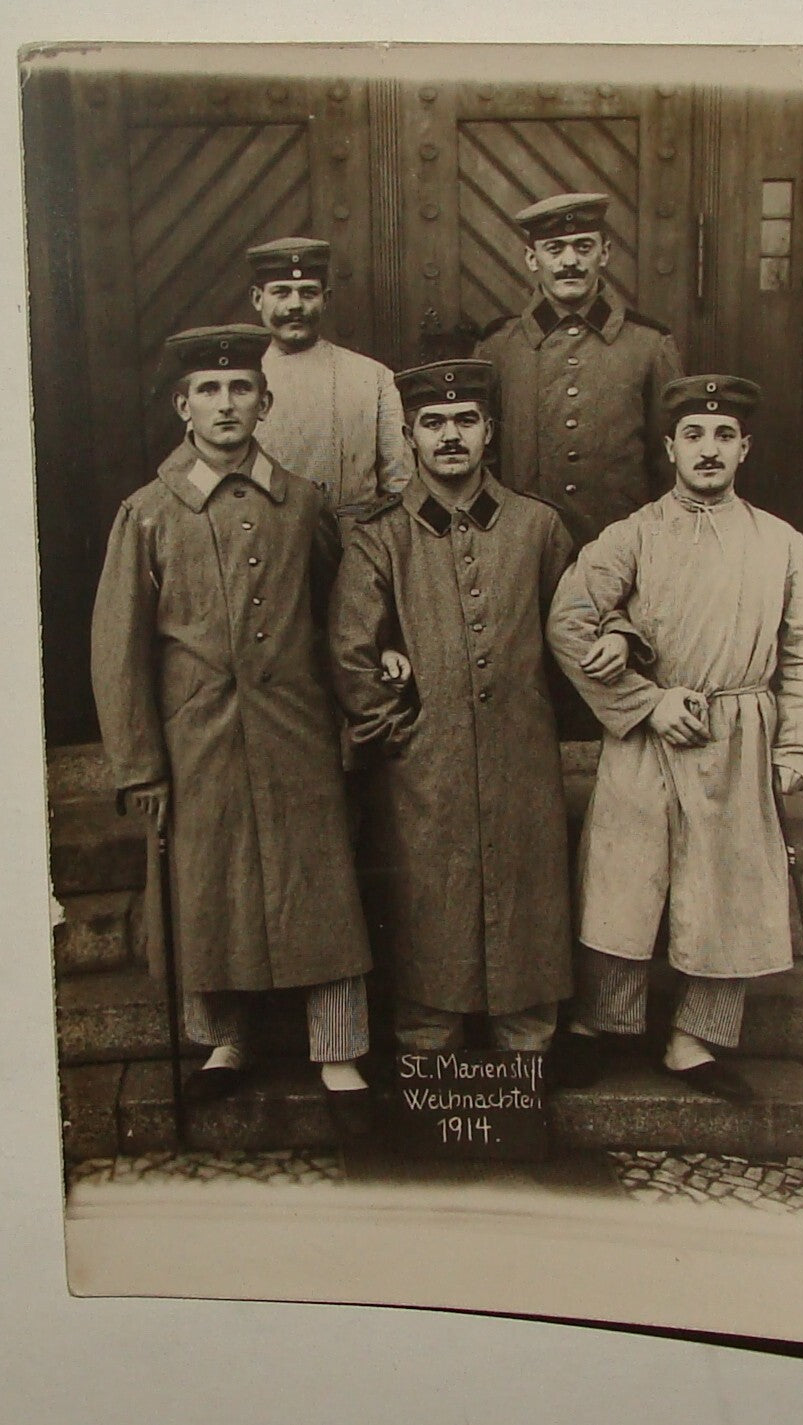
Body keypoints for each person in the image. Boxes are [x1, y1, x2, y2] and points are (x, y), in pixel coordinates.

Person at [90, 323, 400, 1135]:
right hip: (197, 738)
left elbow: (342, 620)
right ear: (181, 406)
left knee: (318, 881)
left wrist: (358, 703)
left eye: (241, 389)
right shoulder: (149, 513)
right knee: (209, 886)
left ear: (266, 402)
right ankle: (224, 1039)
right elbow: (117, 652)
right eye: (208, 390)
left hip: (296, 729)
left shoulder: (304, 503)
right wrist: (139, 764)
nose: (226, 405)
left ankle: (339, 1047)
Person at [546, 375, 803, 1100]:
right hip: (650, 734)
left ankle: (694, 1038)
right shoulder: (634, 534)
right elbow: (569, 619)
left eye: (725, 436)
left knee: (726, 886)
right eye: (695, 436)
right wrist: (643, 702)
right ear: (671, 447)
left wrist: (796, 746)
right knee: (624, 877)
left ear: (746, 449)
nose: (710, 450)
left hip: (739, 735)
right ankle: (599, 1022)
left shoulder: (780, 541)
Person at [328, 359, 574, 1057]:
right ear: (409, 436)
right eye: (433, 423)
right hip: (423, 768)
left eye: (465, 420)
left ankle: (527, 1043)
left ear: (489, 431)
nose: (451, 436)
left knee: (529, 891)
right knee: (429, 896)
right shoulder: (381, 537)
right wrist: (395, 728)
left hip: (522, 757)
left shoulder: (538, 528)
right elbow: (350, 648)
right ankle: (428, 1045)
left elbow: (573, 632)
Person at [475, 192, 684, 551]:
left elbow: (669, 462)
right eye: (554, 249)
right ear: (531, 258)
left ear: (604, 253)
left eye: (583, 246)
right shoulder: (498, 347)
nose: (569, 261)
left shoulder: (649, 346)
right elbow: (481, 460)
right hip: (523, 550)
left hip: (621, 548)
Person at [247, 236, 412, 519]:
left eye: (308, 293)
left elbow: (400, 482)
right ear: (257, 299)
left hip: (355, 543)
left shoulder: (372, 377)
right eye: (282, 292)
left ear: (326, 300)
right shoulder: (237, 386)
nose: (296, 305)